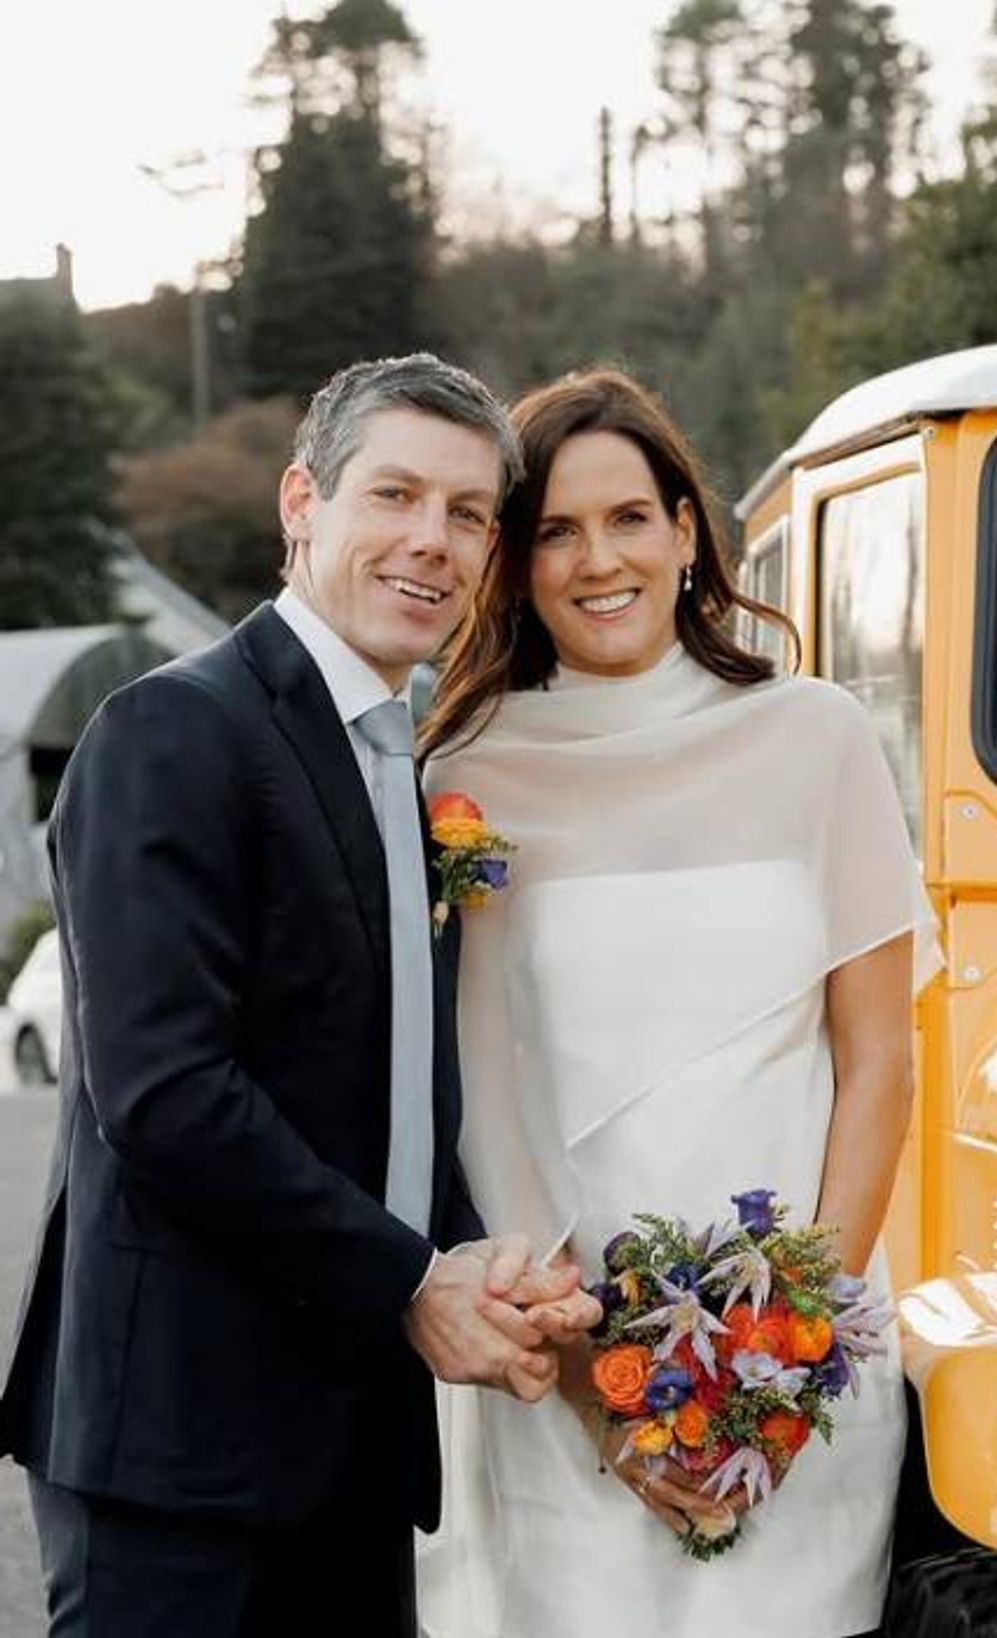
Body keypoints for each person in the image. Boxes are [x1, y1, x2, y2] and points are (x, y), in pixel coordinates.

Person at [0, 353, 598, 1638]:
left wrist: (473, 1255)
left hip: (352, 1449)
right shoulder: (174, 732)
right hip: (179, 1446)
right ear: (299, 504)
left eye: (465, 514)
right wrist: (409, 1282)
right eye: (393, 495)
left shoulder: (403, 761)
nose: (429, 543)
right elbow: (167, 1096)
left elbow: (374, 1081)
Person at [417, 367, 942, 1638]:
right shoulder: (465, 772)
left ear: (687, 532)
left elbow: (878, 1064)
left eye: (629, 518)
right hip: (568, 1363)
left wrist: (790, 1353)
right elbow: (483, 1097)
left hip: (791, 1373)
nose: (599, 559)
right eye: (555, 530)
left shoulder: (817, 738)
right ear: (517, 564)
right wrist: (609, 1388)